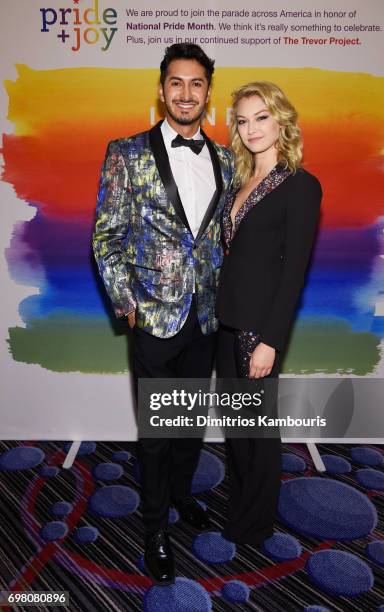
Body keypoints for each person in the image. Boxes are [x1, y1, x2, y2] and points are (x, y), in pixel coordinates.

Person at [92, 43, 234, 584]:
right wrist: (125, 302)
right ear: (161, 88)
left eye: (196, 84)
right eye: (176, 82)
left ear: (206, 92)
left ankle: (179, 494)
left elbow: (220, 239)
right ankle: (154, 529)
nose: (186, 94)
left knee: (190, 423)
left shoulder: (224, 158)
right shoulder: (126, 153)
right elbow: (106, 236)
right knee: (156, 432)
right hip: (153, 318)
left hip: (207, 318)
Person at [216, 81, 322, 545]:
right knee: (238, 429)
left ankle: (254, 526)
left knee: (256, 433)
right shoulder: (238, 180)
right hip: (225, 320)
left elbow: (294, 270)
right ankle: (242, 508)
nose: (252, 127)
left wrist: (271, 340)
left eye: (261, 116)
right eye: (243, 119)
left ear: (281, 119)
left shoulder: (300, 184)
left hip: (258, 329)